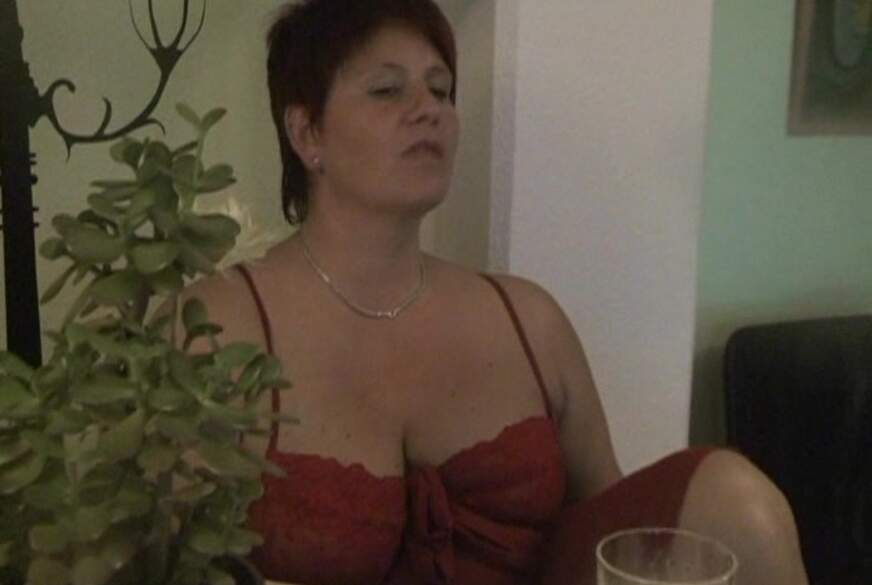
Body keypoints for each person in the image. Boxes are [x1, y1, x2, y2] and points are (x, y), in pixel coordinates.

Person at [182, 1, 810, 583]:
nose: (428, 109)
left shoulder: (528, 320)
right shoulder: (220, 324)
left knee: (736, 497)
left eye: (441, 90)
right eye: (387, 89)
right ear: (307, 134)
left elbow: (619, 539)